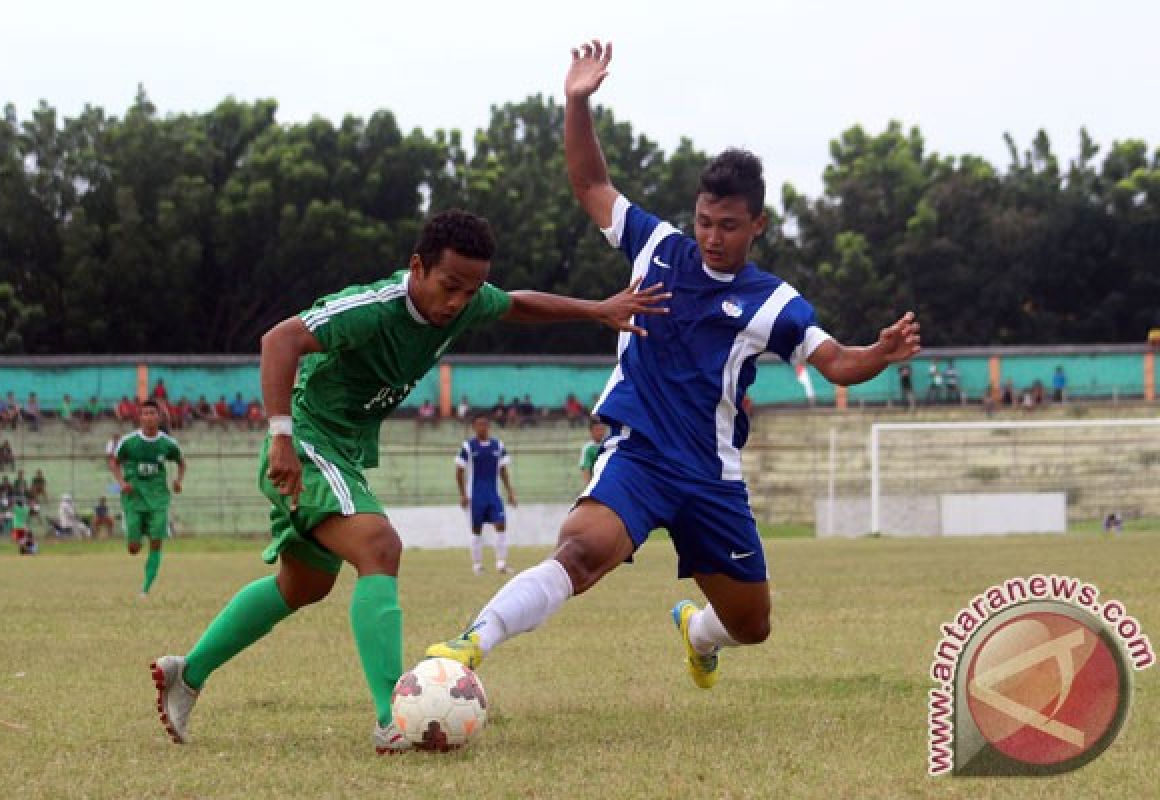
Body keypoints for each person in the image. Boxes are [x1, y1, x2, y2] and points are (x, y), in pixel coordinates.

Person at [427, 41, 921, 695]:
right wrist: (577, 102)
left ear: (758, 226)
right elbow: (590, 184)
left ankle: (696, 633)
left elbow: (835, 363)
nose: (712, 236)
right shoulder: (657, 247)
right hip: (640, 455)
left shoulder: (773, 303)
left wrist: (878, 356)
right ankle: (469, 644)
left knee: (752, 624)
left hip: (712, 478)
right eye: (704, 220)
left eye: (729, 225)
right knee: (581, 550)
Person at [147, 208, 667, 752]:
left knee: (304, 585)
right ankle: (390, 717)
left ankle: (189, 672)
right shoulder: (372, 308)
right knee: (380, 546)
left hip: (341, 451)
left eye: (471, 291)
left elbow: (516, 303)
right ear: (417, 267)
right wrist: (280, 437)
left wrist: (597, 310)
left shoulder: (464, 303)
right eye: (449, 287)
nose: (458, 303)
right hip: (307, 440)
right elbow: (279, 340)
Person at [109, 400, 185, 598]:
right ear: (140, 417)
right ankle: (137, 534)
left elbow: (181, 462)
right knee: (133, 548)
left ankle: (145, 588)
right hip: (134, 498)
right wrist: (121, 483)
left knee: (156, 542)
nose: (149, 416)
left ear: (159, 417)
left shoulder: (168, 444)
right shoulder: (129, 442)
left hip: (158, 499)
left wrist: (178, 480)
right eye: (145, 413)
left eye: (153, 413)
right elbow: (114, 463)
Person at [456, 414, 517, 575]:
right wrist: (462, 494)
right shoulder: (468, 446)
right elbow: (459, 471)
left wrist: (510, 491)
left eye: (484, 424)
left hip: (494, 494)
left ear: (488, 426)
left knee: (501, 525)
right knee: (477, 530)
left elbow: (503, 470)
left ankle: (501, 564)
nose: (482, 427)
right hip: (475, 496)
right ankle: (477, 565)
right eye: (478, 425)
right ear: (474, 427)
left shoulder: (498, 445)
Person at [578, 417, 608, 485]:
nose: (601, 432)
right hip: (597, 485)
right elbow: (586, 470)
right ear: (591, 431)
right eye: (597, 430)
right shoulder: (589, 448)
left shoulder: (610, 445)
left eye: (602, 429)